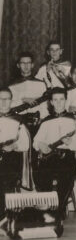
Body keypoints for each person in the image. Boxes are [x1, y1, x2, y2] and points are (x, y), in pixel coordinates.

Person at [33, 88, 76, 216]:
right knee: (40, 176)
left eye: (61, 99)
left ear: (66, 100)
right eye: (55, 100)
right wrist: (40, 145)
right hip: (49, 157)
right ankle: (46, 209)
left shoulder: (75, 121)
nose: (59, 102)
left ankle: (58, 211)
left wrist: (70, 143)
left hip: (67, 157)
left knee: (65, 179)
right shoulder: (46, 121)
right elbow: (35, 141)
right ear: (51, 102)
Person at [0, 88, 33, 223]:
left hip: (10, 159)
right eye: (0, 99)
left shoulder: (18, 120)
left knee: (6, 183)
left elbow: (25, 144)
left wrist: (13, 146)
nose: (3, 102)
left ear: (11, 101)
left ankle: (4, 218)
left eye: (6, 99)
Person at [9, 52, 49, 128]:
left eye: (28, 63)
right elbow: (9, 106)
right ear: (18, 65)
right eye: (23, 63)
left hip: (37, 121)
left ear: (32, 65)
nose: (26, 65)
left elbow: (44, 106)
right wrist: (23, 100)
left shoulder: (41, 84)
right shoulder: (11, 86)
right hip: (18, 122)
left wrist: (42, 120)